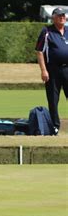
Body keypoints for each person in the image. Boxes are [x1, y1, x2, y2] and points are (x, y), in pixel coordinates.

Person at [35, 7, 68, 135]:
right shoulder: (47, 31)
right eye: (59, 16)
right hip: (53, 70)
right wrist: (43, 70)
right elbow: (39, 51)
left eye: (63, 16)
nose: (62, 18)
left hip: (67, 69)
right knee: (53, 100)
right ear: (53, 17)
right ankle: (55, 126)